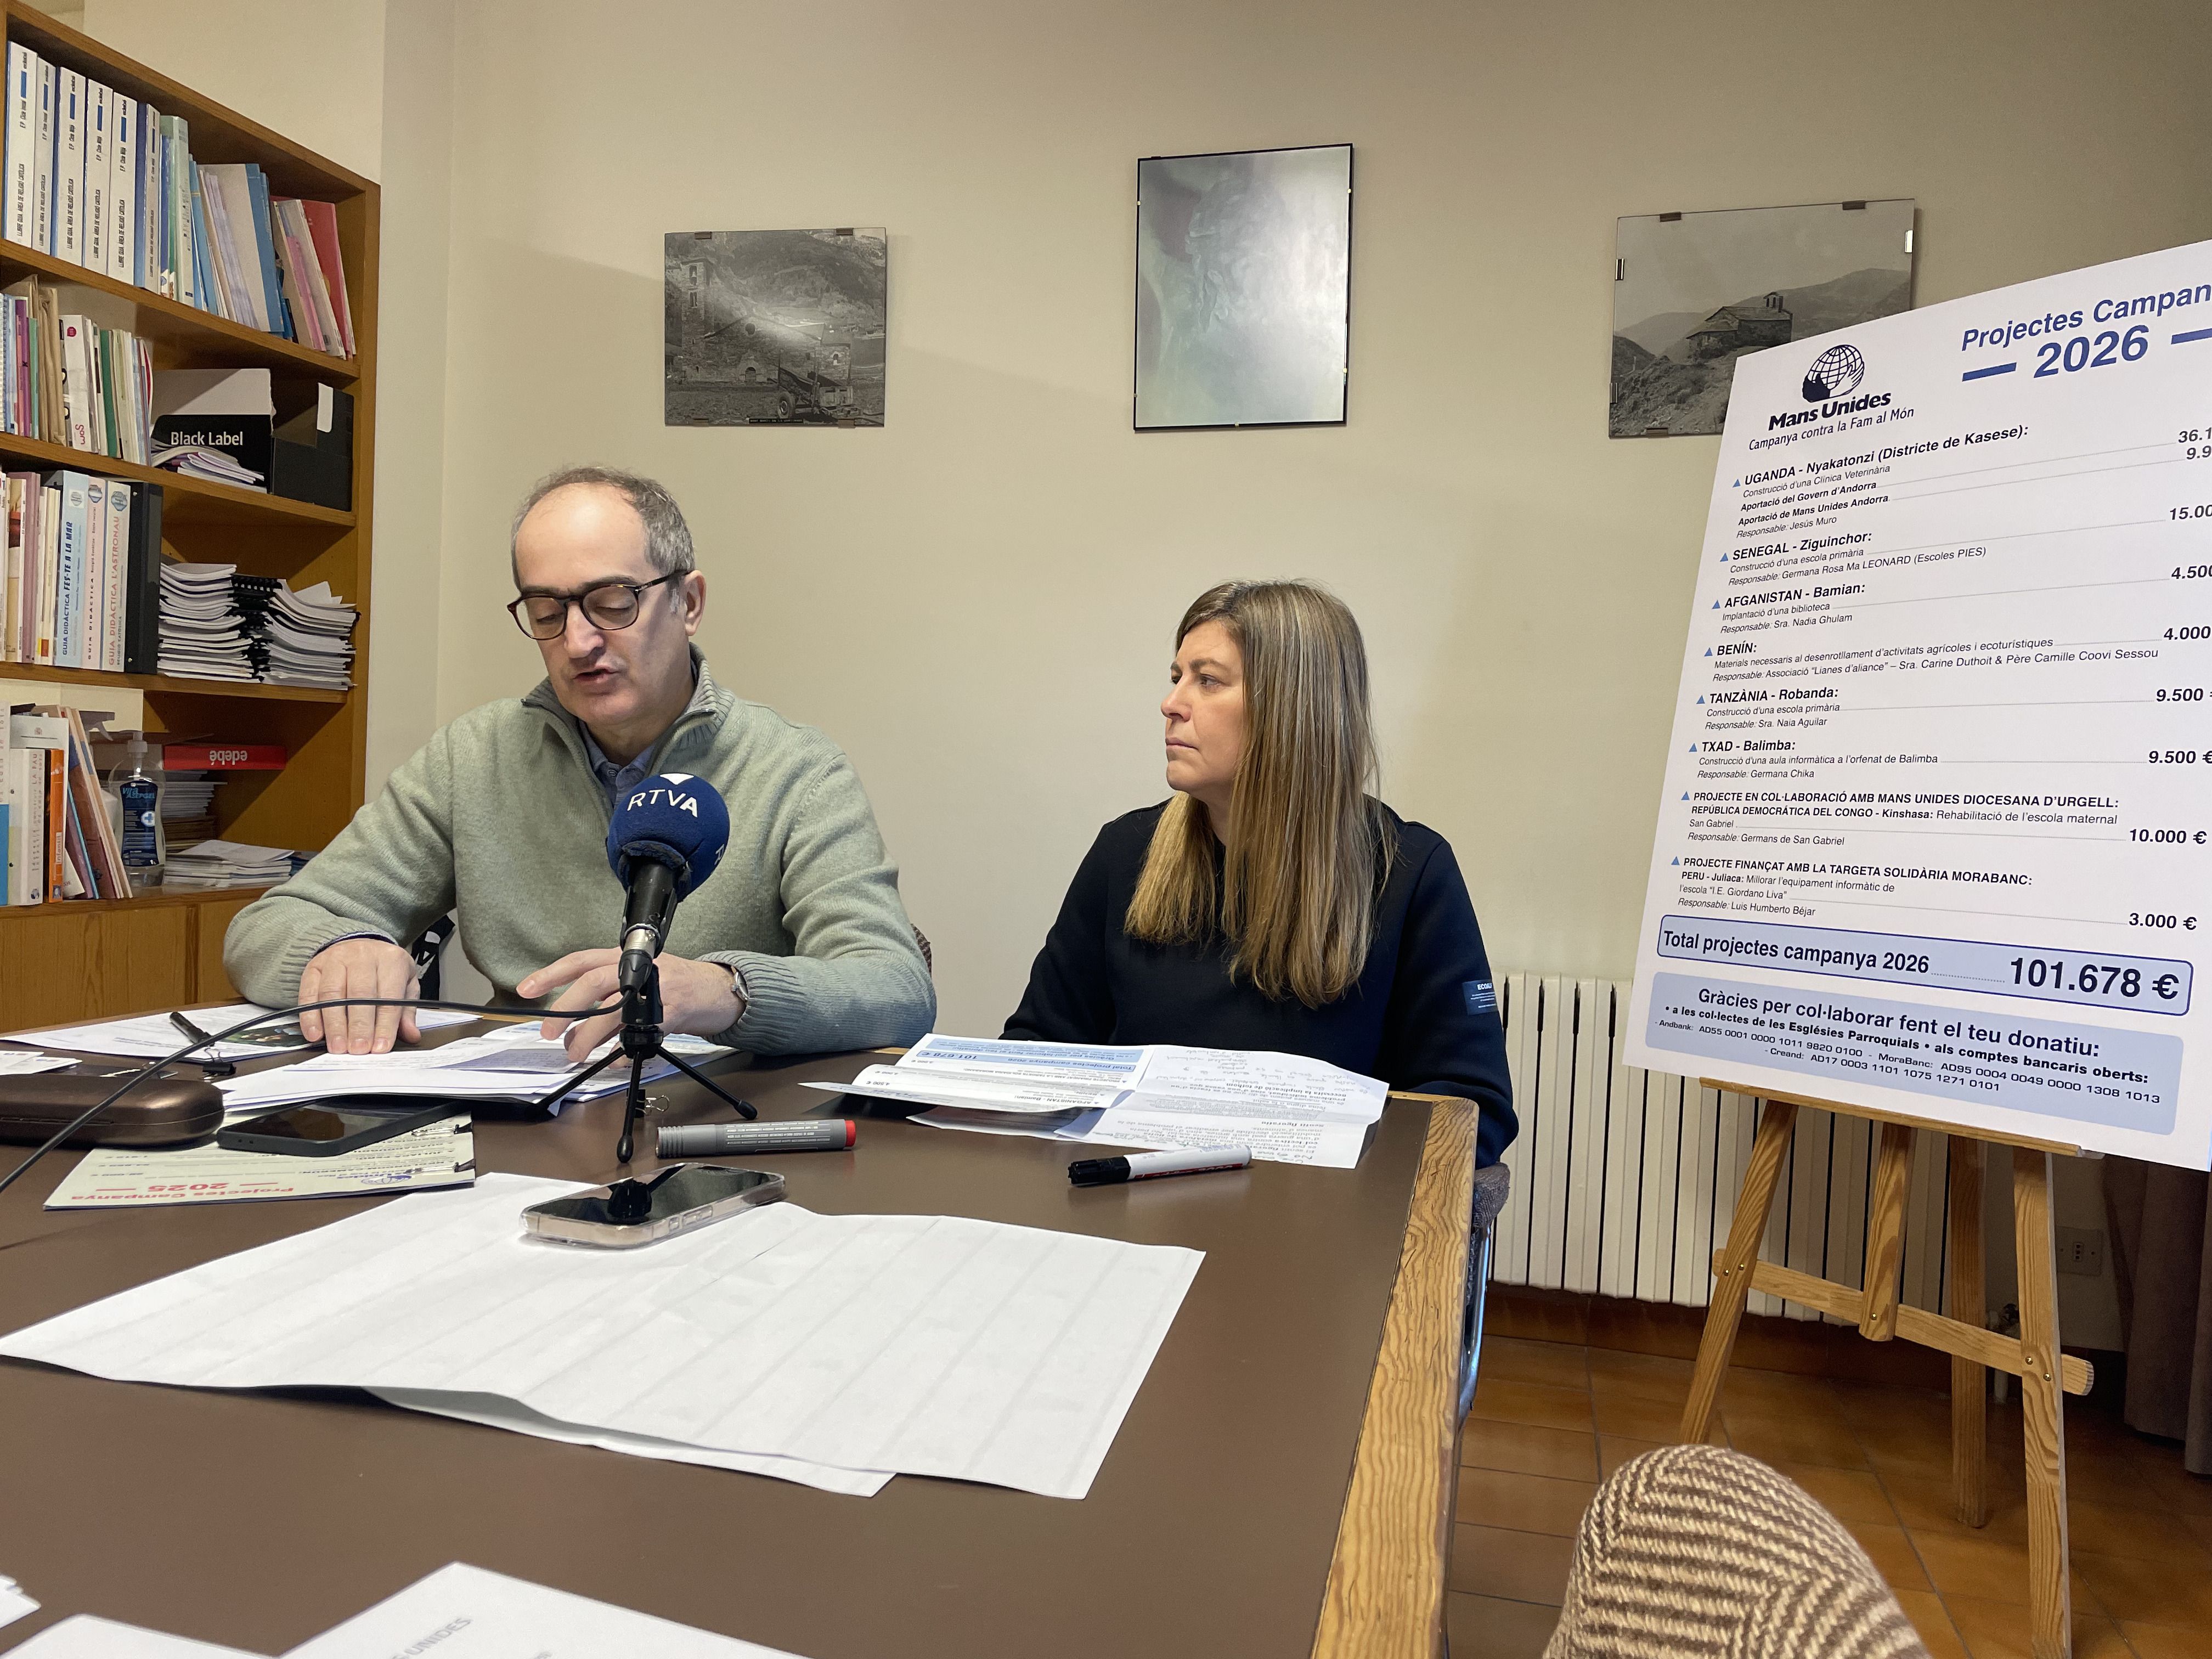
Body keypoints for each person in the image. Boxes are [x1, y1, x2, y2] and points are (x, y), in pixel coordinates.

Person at [224, 464, 935, 1058]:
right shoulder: (472, 759)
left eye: (613, 603)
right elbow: (267, 927)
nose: (578, 641)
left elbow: (895, 986)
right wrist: (340, 948)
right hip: (521, 1116)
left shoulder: (797, 771)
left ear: (688, 602)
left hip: (713, 1120)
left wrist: (725, 990)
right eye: (547, 611)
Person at [1004, 580, 1515, 1164]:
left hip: (1317, 1206)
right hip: (1130, 1191)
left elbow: (1471, 1109)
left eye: (1208, 680)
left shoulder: (1408, 872)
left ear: (1290, 710)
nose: (1171, 703)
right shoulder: (1124, 853)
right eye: (1177, 677)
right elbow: (1037, 1051)